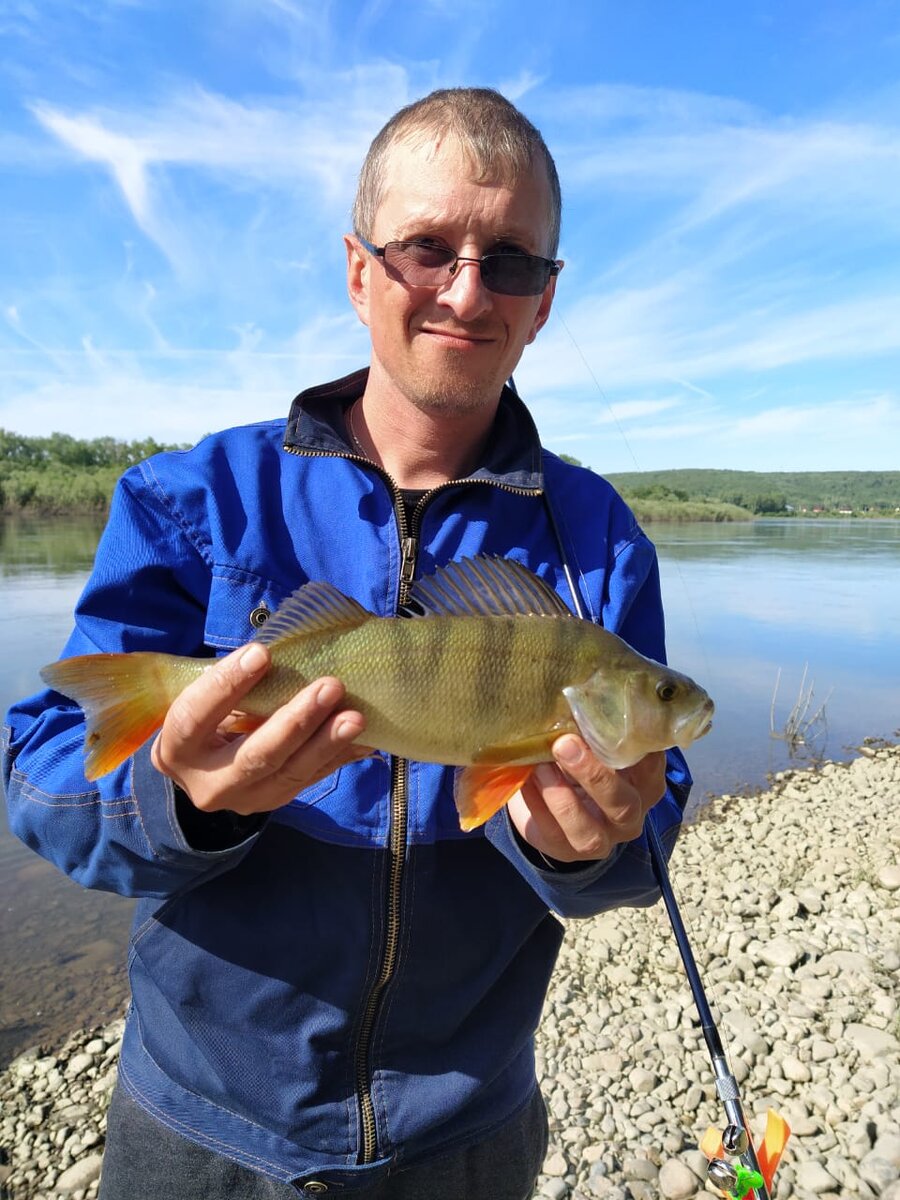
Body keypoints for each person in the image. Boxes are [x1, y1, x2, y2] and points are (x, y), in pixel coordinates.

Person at [3, 88, 691, 1199]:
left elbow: (644, 842)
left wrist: (591, 848)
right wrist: (179, 798)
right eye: (427, 247)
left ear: (546, 300)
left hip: (469, 1136)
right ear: (359, 268)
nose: (468, 290)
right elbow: (38, 776)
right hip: (199, 1130)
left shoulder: (598, 545)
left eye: (511, 260)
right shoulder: (192, 500)